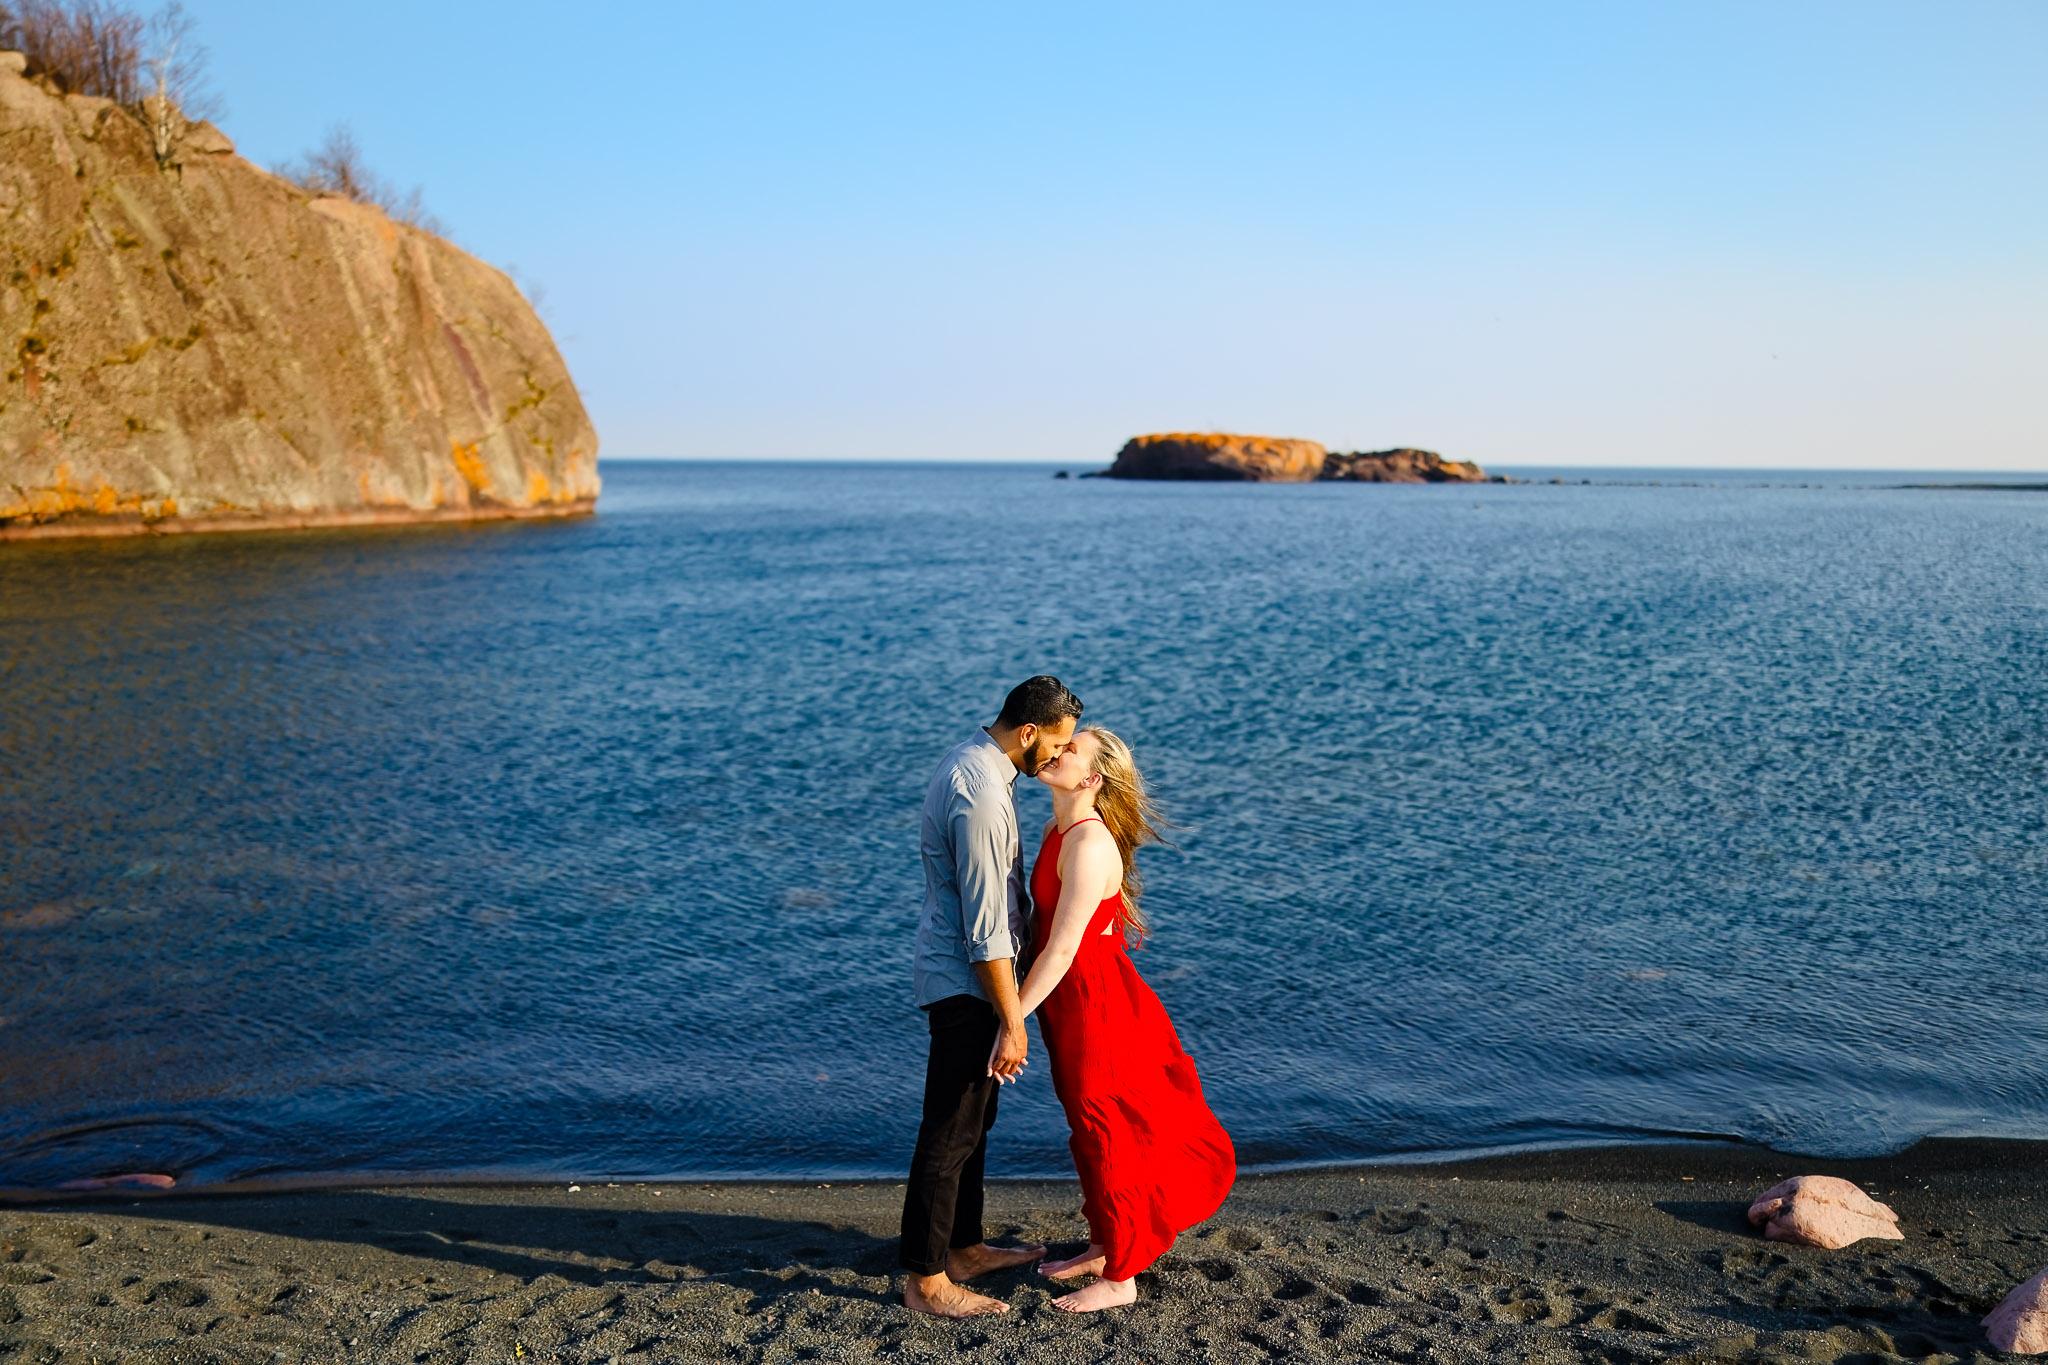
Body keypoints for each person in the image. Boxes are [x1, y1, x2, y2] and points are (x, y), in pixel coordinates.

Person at [1011, 725, 1236, 1313]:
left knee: (1106, 1126)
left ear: (1092, 778)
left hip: (1097, 1006)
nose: (1055, 750)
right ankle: (1104, 1244)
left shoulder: (1089, 844)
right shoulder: (1056, 831)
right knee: (1086, 1127)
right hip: (1069, 1002)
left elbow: (1063, 948)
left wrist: (1010, 1019)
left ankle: (1123, 1276)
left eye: (1070, 749)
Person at [899, 675, 1084, 1318]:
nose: (1057, 756)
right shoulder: (978, 794)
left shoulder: (980, 767)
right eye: (1055, 744)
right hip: (967, 981)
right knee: (949, 1130)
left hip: (967, 977)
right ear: (1028, 732)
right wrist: (1014, 1020)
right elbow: (985, 930)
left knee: (973, 1123)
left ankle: (965, 1248)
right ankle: (926, 1282)